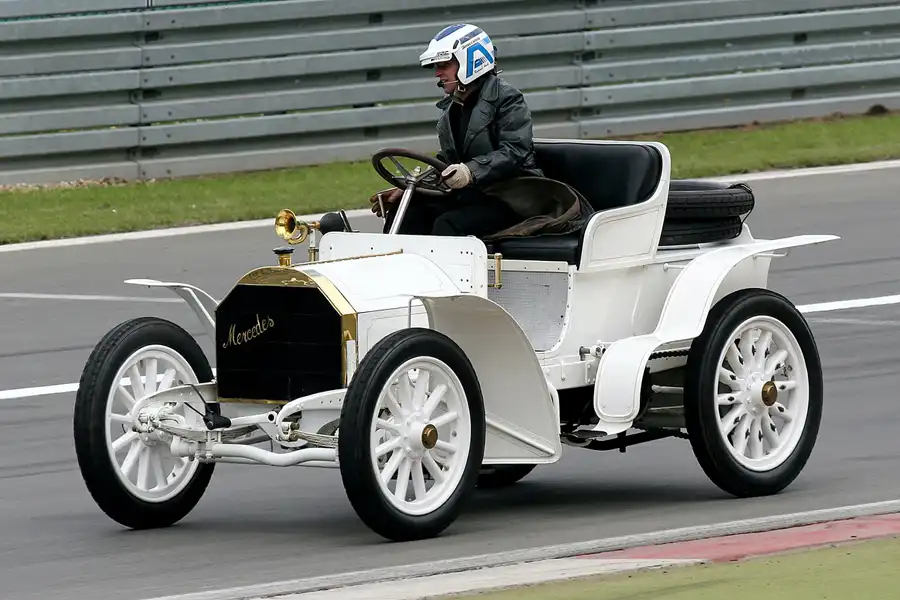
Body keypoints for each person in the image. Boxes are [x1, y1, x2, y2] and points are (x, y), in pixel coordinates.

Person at [370, 23, 548, 238]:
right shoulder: (453, 106)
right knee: (408, 212)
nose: (438, 73)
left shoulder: (507, 98)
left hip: (513, 198)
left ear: (471, 61)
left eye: (444, 65)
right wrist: (412, 188)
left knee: (449, 225)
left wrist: (470, 171)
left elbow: (515, 151)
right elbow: (447, 161)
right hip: (472, 197)